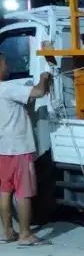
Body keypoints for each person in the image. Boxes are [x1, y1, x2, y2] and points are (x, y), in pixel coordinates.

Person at [0, 51, 51, 245]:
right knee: (23, 192)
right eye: (5, 63)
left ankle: (7, 232)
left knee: (5, 191)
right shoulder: (7, 88)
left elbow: (25, 102)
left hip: (3, 148)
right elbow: (38, 92)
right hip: (19, 147)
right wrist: (44, 78)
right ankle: (25, 234)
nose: (8, 67)